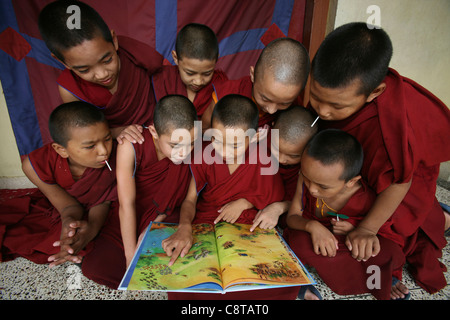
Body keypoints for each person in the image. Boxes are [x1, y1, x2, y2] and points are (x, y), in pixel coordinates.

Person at [308, 22, 450, 298]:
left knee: (369, 245)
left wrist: (367, 228)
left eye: (337, 106)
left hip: (399, 190)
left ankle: (437, 219)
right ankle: (438, 216)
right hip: (356, 174)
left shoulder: (394, 123)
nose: (322, 111)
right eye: (315, 97)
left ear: (374, 93)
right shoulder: (332, 91)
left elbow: (400, 183)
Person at [162, 94, 298, 300]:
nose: (223, 151)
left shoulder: (263, 158)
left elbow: (276, 197)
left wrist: (245, 203)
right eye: (217, 140)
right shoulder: (203, 153)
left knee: (271, 280)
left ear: (253, 138)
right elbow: (190, 199)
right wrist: (184, 226)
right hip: (208, 223)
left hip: (247, 227)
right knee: (185, 282)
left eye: (234, 145)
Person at [284, 129, 405, 300]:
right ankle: (373, 277)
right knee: (297, 242)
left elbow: (384, 233)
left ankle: (378, 279)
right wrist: (312, 226)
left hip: (348, 245)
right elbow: (292, 217)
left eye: (323, 187)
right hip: (319, 239)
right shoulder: (305, 178)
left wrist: (356, 228)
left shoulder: (363, 197)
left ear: (351, 182)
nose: (311, 189)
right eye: (307, 178)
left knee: (384, 251)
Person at [0, 101, 117, 268]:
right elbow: (67, 206)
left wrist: (91, 230)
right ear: (61, 149)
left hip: (106, 208)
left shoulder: (118, 156)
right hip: (65, 205)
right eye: (90, 146)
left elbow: (105, 199)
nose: (104, 151)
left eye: (107, 139)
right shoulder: (36, 165)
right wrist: (69, 224)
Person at [38, 0, 163, 145]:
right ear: (63, 62)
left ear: (114, 40)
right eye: (84, 70)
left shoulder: (132, 52)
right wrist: (118, 132)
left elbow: (169, 80)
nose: (102, 74)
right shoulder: (70, 90)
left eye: (107, 60)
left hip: (160, 126)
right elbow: (86, 132)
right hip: (117, 143)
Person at [115, 94, 199, 270]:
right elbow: (127, 204)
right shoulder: (130, 145)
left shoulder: (196, 146)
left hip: (168, 213)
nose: (183, 153)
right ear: (154, 132)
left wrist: (152, 226)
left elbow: (184, 199)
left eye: (190, 144)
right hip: (133, 212)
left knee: (177, 258)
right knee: (99, 265)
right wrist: (130, 257)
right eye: (175, 145)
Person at [202, 38, 310, 129]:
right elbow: (204, 130)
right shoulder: (227, 95)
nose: (271, 110)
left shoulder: (294, 105)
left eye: (284, 104)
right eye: (265, 98)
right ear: (253, 75)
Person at [152, 23, 228, 121]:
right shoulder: (164, 80)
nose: (198, 81)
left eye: (207, 73)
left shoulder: (221, 84)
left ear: (216, 60)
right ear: (175, 58)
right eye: (190, 73)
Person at [264, 105, 317, 229]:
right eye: (276, 149)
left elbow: (302, 202)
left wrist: (280, 207)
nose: (281, 159)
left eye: (293, 156)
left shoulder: (307, 168)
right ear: (271, 129)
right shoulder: (259, 145)